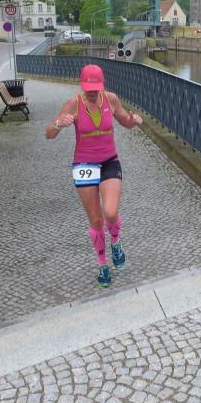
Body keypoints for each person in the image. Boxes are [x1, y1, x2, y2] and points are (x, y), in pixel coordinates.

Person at [46, 64, 143, 287]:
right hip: (84, 164)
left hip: (109, 161)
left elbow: (126, 122)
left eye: (95, 89)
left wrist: (134, 121)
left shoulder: (111, 99)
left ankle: (115, 243)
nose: (92, 93)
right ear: (82, 86)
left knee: (110, 212)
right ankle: (102, 265)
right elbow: (48, 134)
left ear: (102, 85)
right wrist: (59, 124)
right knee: (96, 220)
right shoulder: (73, 104)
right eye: (88, 89)